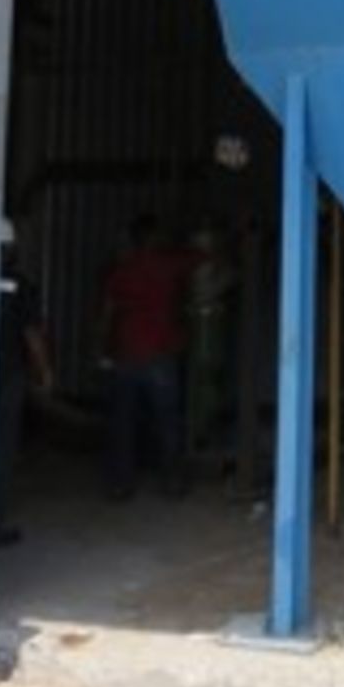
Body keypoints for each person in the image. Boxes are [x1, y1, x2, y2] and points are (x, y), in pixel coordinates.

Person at [102, 213, 195, 500]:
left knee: (123, 424)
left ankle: (121, 484)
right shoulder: (169, 265)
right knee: (167, 422)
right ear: (154, 237)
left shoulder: (122, 271)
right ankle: (173, 483)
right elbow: (206, 260)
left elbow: (106, 314)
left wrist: (101, 350)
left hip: (127, 356)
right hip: (160, 357)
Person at [0, 218, 54, 548]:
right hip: (6, 379)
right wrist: (44, 372)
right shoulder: (20, 285)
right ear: (10, 249)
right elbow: (32, 336)